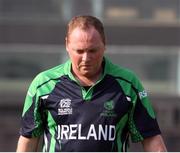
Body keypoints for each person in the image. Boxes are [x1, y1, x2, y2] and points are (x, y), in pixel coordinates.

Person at [16, 15, 167, 152]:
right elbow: (28, 140)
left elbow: (152, 140)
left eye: (93, 51)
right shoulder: (43, 85)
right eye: (79, 51)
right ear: (67, 45)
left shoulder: (128, 84)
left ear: (104, 45)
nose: (86, 58)